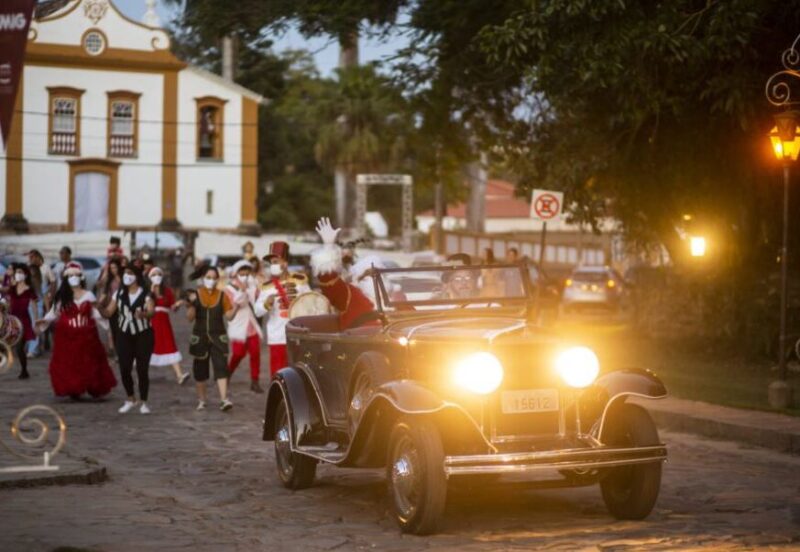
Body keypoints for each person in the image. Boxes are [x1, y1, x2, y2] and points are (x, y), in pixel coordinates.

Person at [36, 262, 117, 399]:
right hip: (67, 335)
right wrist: (45, 320)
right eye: (70, 275)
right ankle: (74, 389)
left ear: (81, 277)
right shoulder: (63, 296)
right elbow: (54, 312)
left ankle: (92, 387)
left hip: (87, 335)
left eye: (76, 275)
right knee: (70, 363)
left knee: (89, 363)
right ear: (66, 279)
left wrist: (108, 325)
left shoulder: (89, 295)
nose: (73, 277)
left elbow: (95, 313)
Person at [102, 266, 155, 414]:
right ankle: (130, 398)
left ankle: (144, 402)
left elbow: (151, 311)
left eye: (130, 273)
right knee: (124, 367)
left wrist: (144, 315)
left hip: (143, 334)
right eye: (125, 273)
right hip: (124, 334)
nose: (127, 276)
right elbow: (108, 312)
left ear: (137, 276)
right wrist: (99, 306)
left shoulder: (145, 293)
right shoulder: (118, 293)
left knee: (142, 369)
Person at [255, 242, 310, 378]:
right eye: (271, 263)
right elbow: (257, 311)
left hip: (298, 335)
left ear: (285, 262)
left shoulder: (300, 281)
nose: (272, 265)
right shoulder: (267, 287)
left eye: (275, 261)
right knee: (279, 376)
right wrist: (266, 304)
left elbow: (312, 302)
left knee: (298, 375)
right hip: (277, 337)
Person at [312, 218, 376, 330]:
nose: (346, 252)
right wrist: (328, 246)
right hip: (360, 338)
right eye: (342, 248)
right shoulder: (347, 293)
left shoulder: (388, 293)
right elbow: (328, 278)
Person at [186, 265, 235, 411]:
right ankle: (202, 400)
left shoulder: (222, 295)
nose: (211, 280)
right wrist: (191, 303)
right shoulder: (196, 294)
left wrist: (237, 306)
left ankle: (224, 399)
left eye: (214, 278)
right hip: (200, 338)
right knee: (200, 370)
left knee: (221, 367)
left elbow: (229, 316)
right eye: (208, 277)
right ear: (202, 278)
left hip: (218, 338)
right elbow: (189, 318)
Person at [224, 260, 264, 393]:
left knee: (255, 352)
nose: (244, 275)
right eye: (242, 272)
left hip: (250, 323)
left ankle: (255, 381)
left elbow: (257, 299)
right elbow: (236, 302)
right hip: (237, 323)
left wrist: (255, 288)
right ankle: (228, 372)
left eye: (247, 273)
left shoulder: (251, 285)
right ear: (236, 273)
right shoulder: (229, 288)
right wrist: (242, 290)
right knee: (238, 353)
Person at [148, 267, 189, 385]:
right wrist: (150, 293)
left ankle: (179, 375)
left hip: (165, 324)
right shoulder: (147, 291)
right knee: (149, 347)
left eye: (159, 274)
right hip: (151, 322)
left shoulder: (167, 291)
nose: (157, 276)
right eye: (154, 274)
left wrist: (178, 304)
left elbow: (172, 307)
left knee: (170, 346)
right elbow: (145, 307)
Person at [7, 264, 37, 379]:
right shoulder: (12, 288)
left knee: (20, 347)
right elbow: (8, 303)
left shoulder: (29, 289)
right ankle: (24, 370)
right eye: (17, 272)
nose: (18, 274)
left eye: (20, 272)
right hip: (13, 321)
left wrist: (36, 322)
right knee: (15, 347)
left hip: (24, 321)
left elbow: (34, 307)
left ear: (25, 274)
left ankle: (24, 370)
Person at [27, 250, 54, 356]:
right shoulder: (29, 286)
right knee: (31, 327)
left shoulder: (42, 282)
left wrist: (48, 311)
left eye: (32, 257)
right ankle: (34, 347)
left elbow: (46, 296)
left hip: (38, 308)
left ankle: (32, 350)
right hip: (29, 308)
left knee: (36, 326)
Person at [97, 258, 123, 356]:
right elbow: (103, 292)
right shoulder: (109, 279)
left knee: (123, 330)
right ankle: (117, 352)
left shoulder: (124, 278)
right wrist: (99, 303)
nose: (113, 269)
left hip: (123, 307)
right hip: (112, 307)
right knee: (114, 330)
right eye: (111, 268)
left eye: (115, 267)